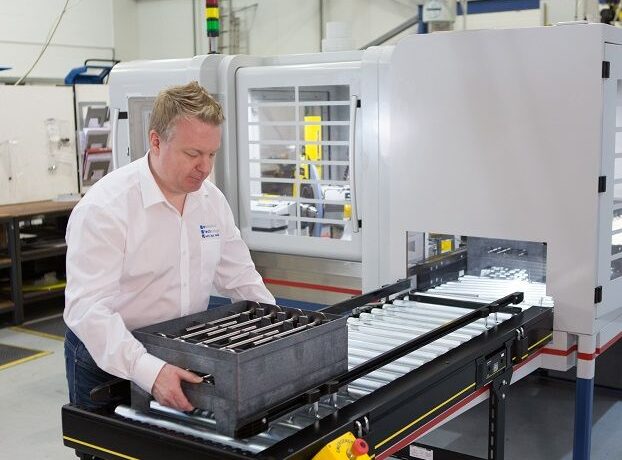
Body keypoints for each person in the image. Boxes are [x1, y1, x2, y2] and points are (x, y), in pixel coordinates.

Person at [64, 81, 275, 413]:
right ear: (156, 141)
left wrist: (277, 332)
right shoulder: (106, 208)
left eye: (211, 154)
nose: (205, 167)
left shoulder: (211, 201)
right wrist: (149, 370)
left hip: (179, 352)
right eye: (192, 154)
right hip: (107, 357)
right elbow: (87, 311)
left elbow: (241, 278)